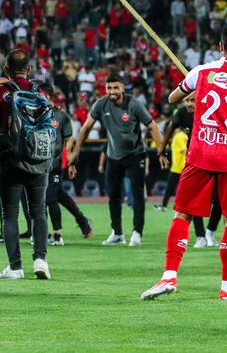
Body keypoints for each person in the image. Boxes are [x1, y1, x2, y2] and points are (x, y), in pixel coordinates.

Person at [141, 23, 227, 301]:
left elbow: (173, 97)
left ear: (220, 45)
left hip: (200, 152)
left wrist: (194, 93)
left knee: (183, 214)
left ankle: (168, 276)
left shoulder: (201, 72)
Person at [0, 50, 52, 280]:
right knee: (38, 212)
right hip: (37, 158)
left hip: (10, 159)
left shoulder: (1, 91)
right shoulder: (39, 90)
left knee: (10, 215)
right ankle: (41, 260)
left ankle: (15, 267)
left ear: (5, 70)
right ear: (29, 69)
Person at [70, 74, 163, 246]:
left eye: (115, 88)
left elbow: (153, 126)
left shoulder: (134, 104)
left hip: (136, 154)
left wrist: (161, 151)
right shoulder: (101, 104)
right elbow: (86, 127)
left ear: (122, 88)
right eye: (109, 88)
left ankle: (137, 233)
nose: (112, 91)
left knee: (137, 194)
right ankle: (118, 233)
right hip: (114, 156)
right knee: (113, 195)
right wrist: (76, 152)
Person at [41, 84, 92, 245]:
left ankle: (57, 235)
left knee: (50, 198)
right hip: (38, 164)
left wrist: (70, 160)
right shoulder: (35, 115)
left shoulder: (61, 116)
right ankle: (83, 221)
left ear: (48, 96)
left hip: (55, 164)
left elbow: (68, 139)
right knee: (58, 195)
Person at [157, 95, 195, 212]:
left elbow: (184, 150)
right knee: (184, 192)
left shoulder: (179, 137)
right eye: (187, 100)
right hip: (181, 167)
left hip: (183, 166)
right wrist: (161, 153)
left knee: (181, 191)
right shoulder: (182, 115)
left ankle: (171, 207)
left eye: (192, 100)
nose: (188, 103)